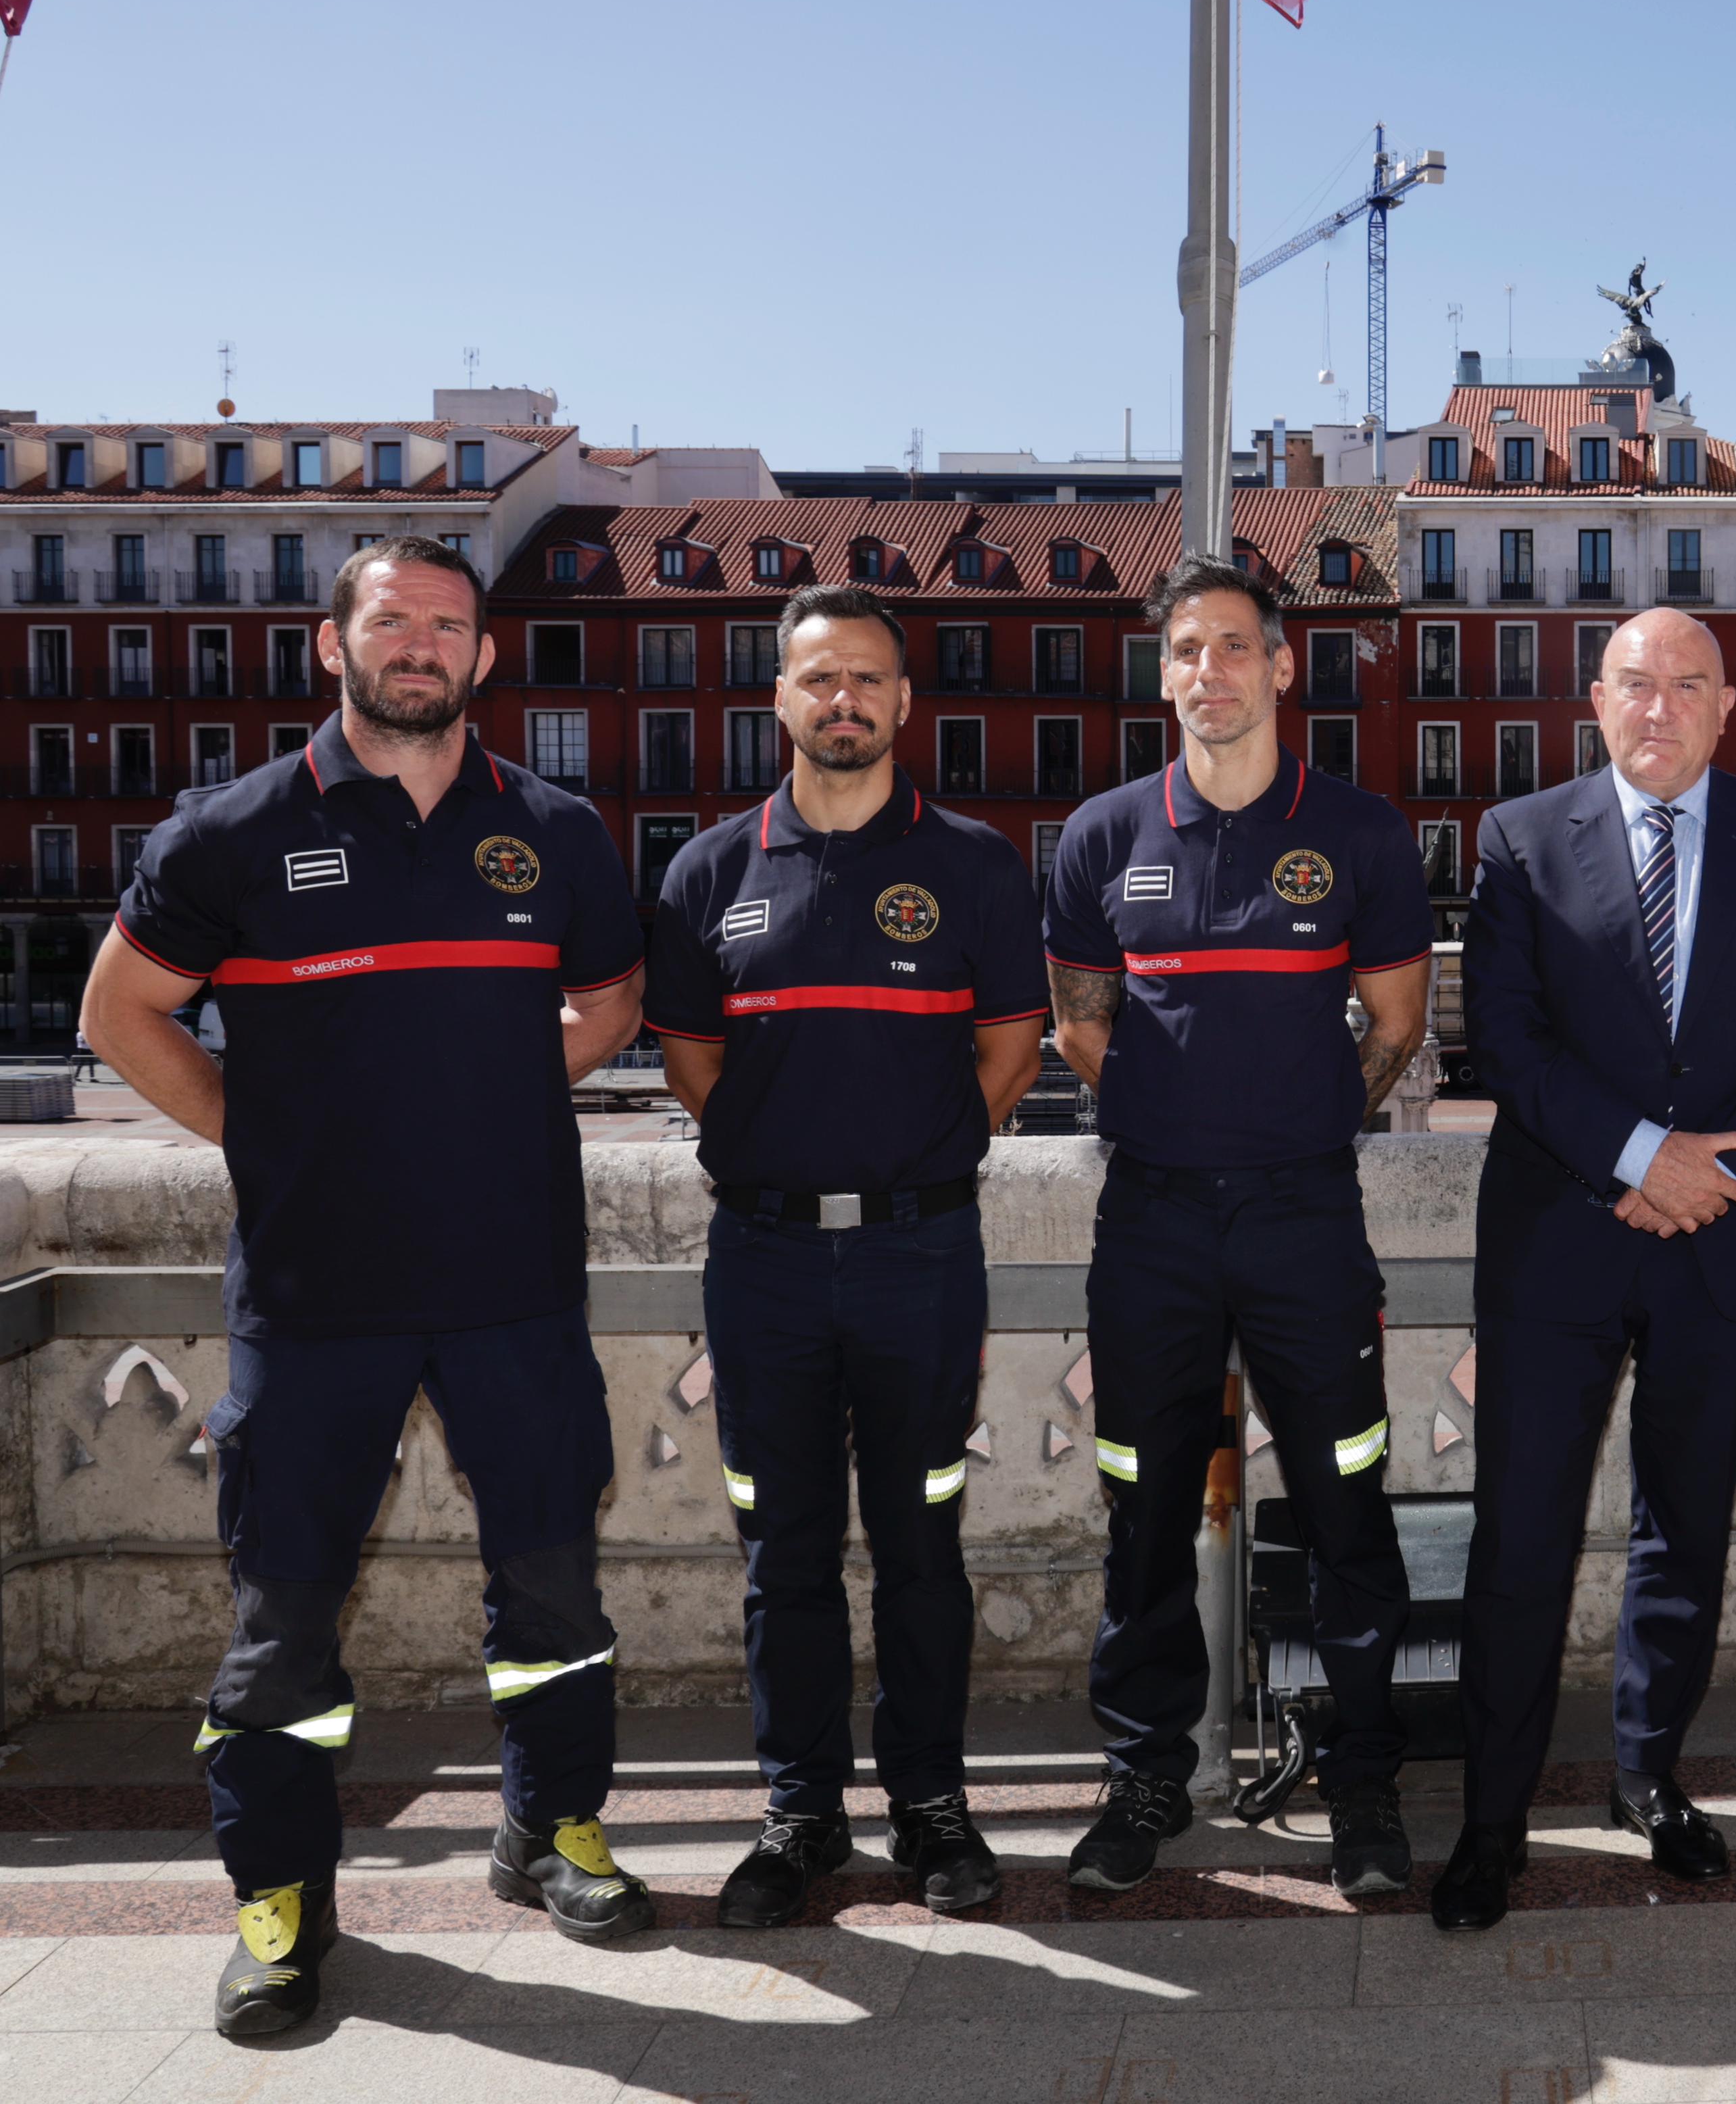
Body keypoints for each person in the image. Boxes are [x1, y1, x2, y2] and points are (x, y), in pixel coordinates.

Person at [81, 537, 652, 2036]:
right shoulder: (230, 831)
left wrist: (503, 1094)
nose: (421, 645)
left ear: (483, 656)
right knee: (285, 1612)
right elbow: (122, 1011)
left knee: (552, 1581)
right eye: (392, 620)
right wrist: (263, 1136)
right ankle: (281, 1897)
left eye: (448, 625)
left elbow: (612, 999)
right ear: (333, 644)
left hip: (515, 1282)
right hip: (313, 1292)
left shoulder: (555, 830)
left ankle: (553, 1828)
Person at [1434, 609, 1736, 1932]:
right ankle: (1492, 1821)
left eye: (1687, 685)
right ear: (1595, 700)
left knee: (1685, 1528)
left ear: (1729, 707)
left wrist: (1710, 1173)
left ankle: (1649, 1780)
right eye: (1635, 683)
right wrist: (1636, 1158)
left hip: (1727, 1242)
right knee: (1522, 1536)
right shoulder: (1518, 838)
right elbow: (1504, 1035)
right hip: (1559, 1245)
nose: (1659, 707)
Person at [646, 583, 1050, 1924]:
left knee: (924, 1538)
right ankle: (801, 1809)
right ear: (780, 698)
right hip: (761, 1262)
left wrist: (912, 1161)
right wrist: (784, 1157)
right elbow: (693, 1061)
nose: (844, 700)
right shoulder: (709, 872)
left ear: (904, 703)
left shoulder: (975, 865)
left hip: (919, 1258)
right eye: (820, 677)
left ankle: (930, 1804)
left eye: (868, 678)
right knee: (785, 1550)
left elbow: (1010, 1051)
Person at [1043, 559, 1434, 1901]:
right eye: (1185, 651)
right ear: (1164, 676)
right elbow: (1081, 1027)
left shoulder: (1361, 833)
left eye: (1231, 647)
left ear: (1280, 667)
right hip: (1150, 1222)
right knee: (1143, 1512)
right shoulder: (1102, 836)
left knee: (1345, 1504)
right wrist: (1180, 1122)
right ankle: (1146, 1775)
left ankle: (1364, 1778)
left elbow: (1397, 1026)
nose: (1206, 670)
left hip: (1304, 1217)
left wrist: (1297, 1124)